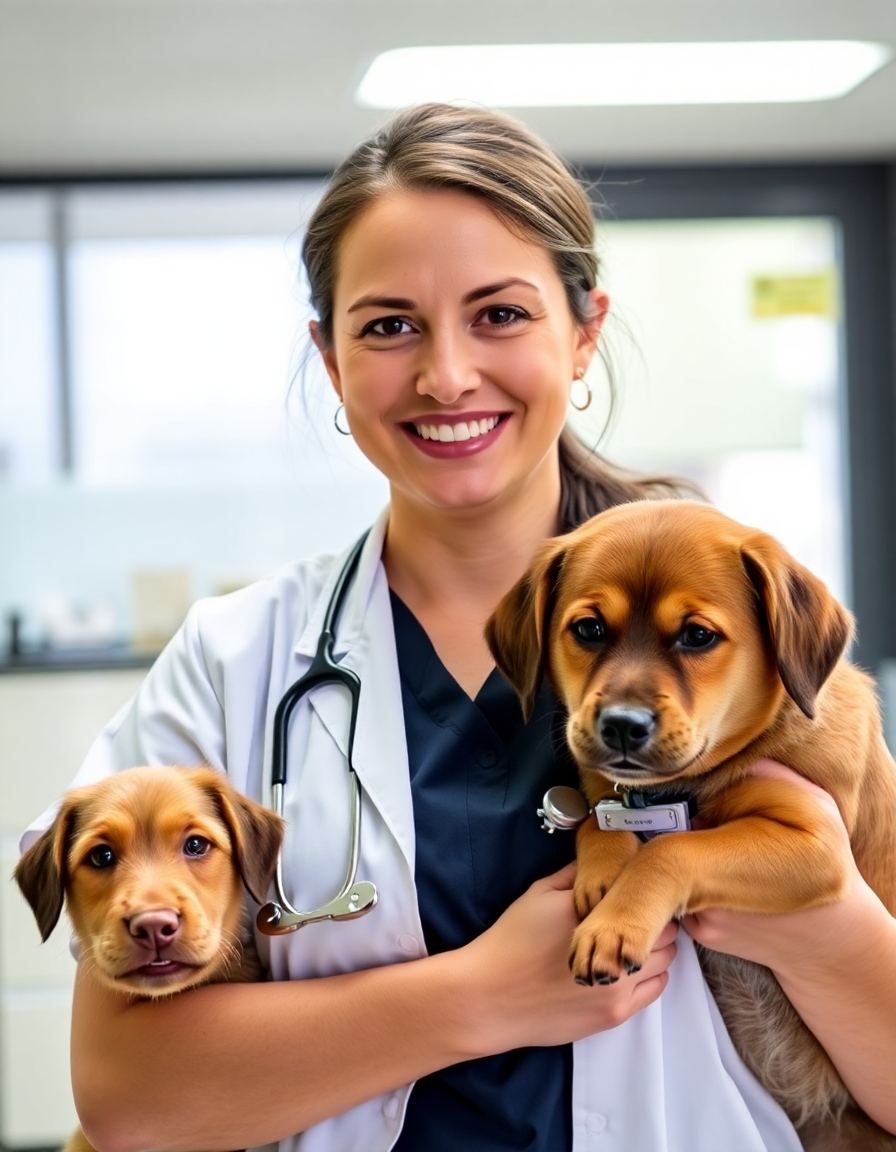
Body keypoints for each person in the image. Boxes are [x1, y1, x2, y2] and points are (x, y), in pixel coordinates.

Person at [23, 103, 896, 1152]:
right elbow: (129, 1100)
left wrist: (819, 914)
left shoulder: (756, 660)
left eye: (500, 315)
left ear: (582, 334)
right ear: (331, 358)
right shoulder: (233, 667)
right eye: (388, 325)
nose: (445, 375)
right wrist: (483, 995)